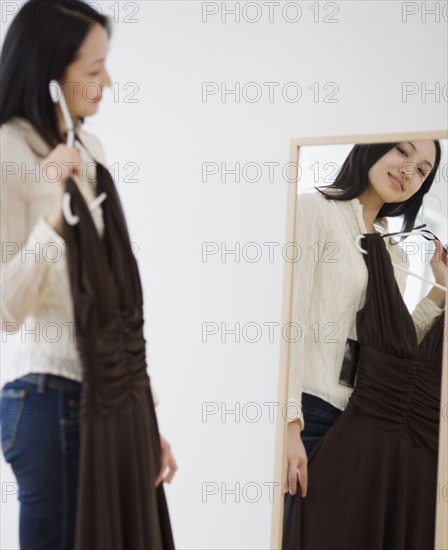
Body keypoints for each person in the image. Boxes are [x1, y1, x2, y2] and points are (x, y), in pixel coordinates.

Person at [0, 1, 176, 548]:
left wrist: (144, 420)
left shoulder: (88, 148)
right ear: (49, 74)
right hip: (50, 400)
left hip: (109, 398)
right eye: (93, 71)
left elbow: (111, 301)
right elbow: (5, 309)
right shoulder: (8, 150)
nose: (109, 83)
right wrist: (54, 213)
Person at [284, 140, 447, 500]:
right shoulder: (316, 210)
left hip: (361, 420)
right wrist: (289, 425)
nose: (409, 171)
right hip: (310, 410)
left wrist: (441, 289)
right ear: (372, 148)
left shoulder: (395, 253)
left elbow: (394, 345)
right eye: (403, 152)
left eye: (422, 169)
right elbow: (289, 322)